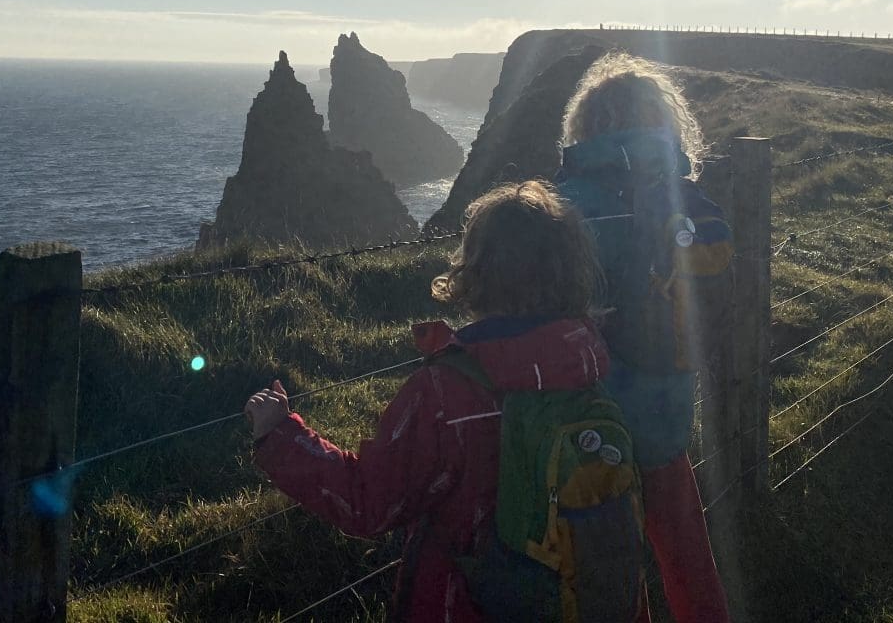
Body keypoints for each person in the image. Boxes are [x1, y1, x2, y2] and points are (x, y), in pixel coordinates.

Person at [244, 180, 637, 623]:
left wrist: (280, 434)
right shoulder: (587, 361)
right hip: (573, 600)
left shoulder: (447, 390)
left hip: (463, 604)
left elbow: (369, 501)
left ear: (474, 271)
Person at [555, 51, 733, 623]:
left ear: (586, 124)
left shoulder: (565, 207)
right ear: (665, 121)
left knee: (610, 557)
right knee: (684, 545)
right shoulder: (682, 198)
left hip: (588, 416)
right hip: (666, 405)